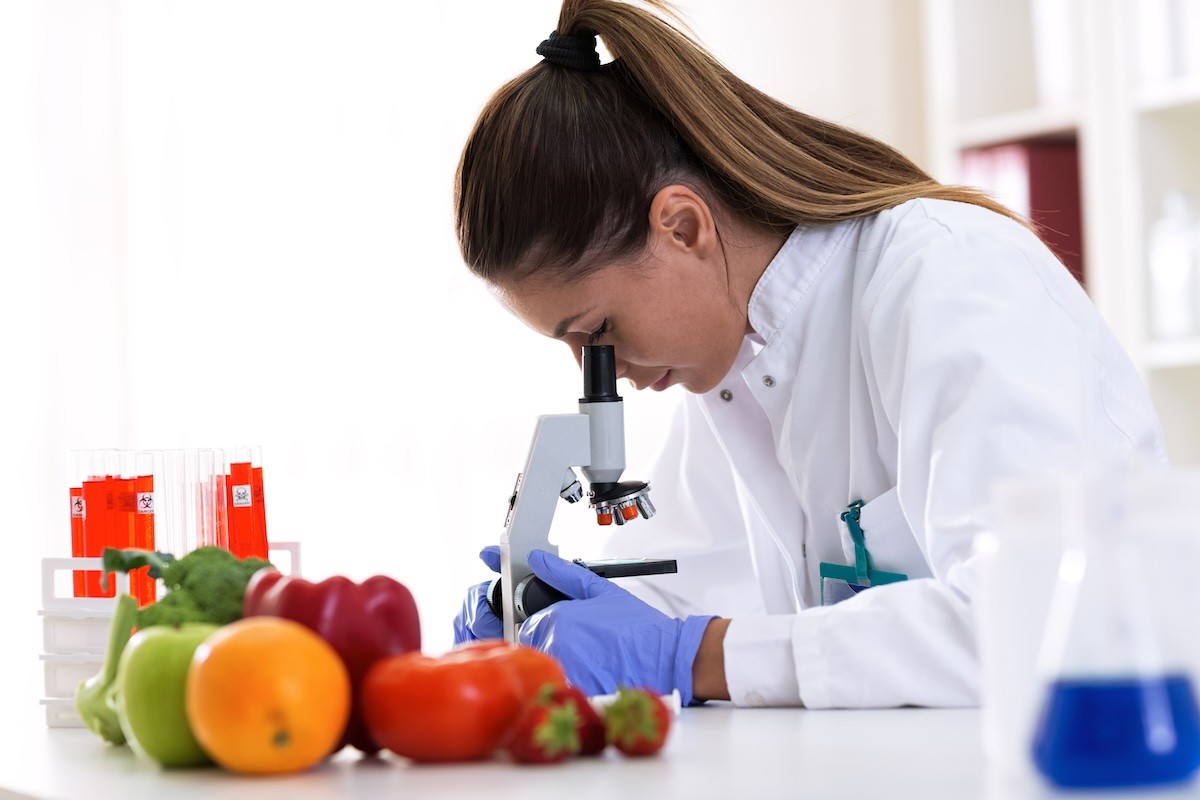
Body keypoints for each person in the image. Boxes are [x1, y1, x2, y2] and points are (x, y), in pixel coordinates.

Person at [450, 0, 1167, 709]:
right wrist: (554, 618)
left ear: (682, 226)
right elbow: (689, 585)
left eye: (598, 332)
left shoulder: (952, 279)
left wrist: (685, 656)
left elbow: (1032, 624)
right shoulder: (727, 369)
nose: (604, 374)